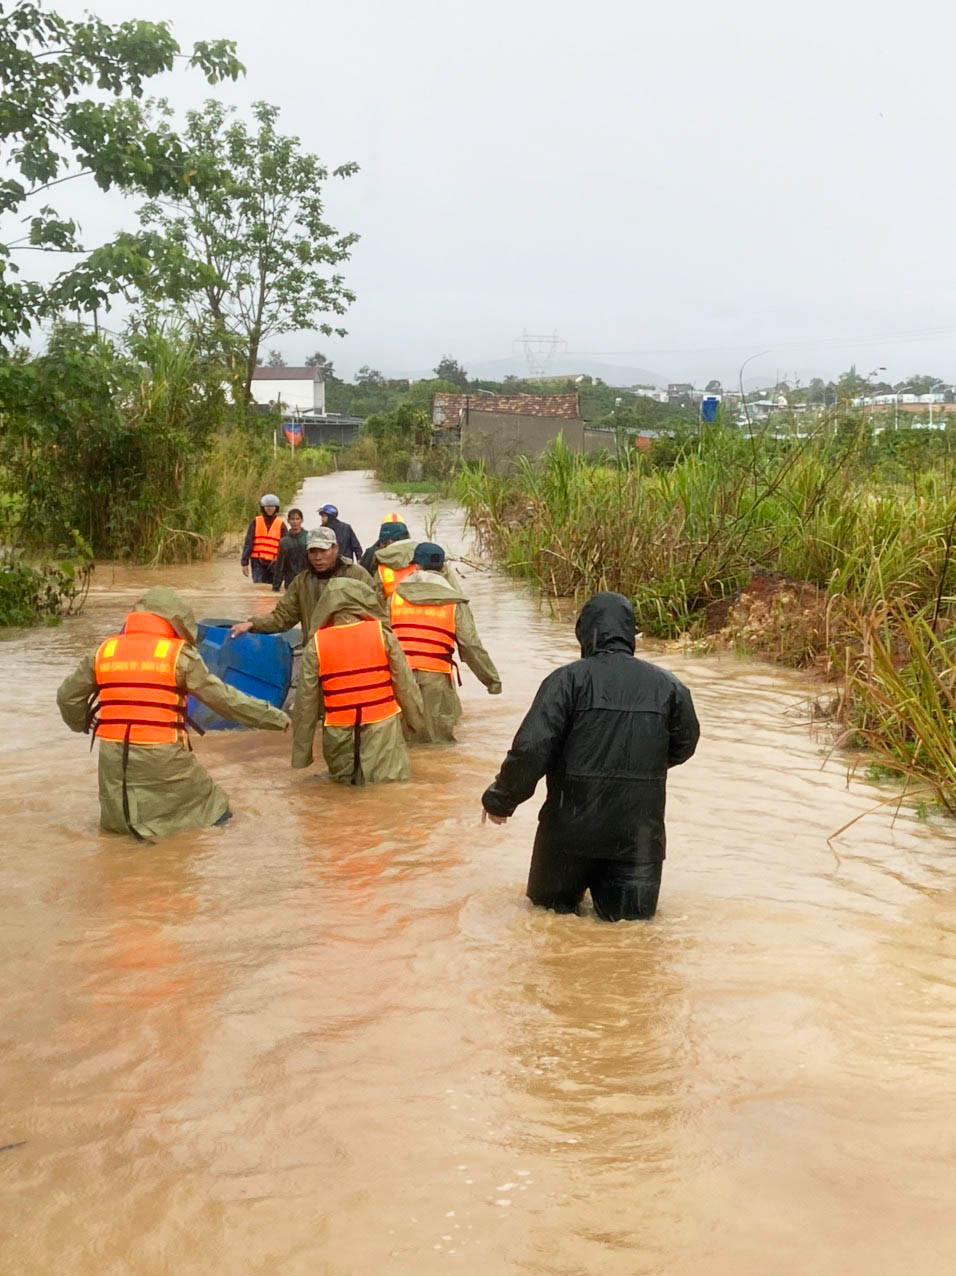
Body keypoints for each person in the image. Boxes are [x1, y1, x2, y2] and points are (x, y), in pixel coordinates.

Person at [480, 591, 699, 922]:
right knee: (631, 939)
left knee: (545, 926)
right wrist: (643, 761)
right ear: (630, 633)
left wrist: (500, 800)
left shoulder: (566, 680)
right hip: (638, 839)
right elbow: (686, 743)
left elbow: (532, 748)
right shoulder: (668, 686)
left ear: (585, 632)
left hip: (567, 834)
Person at [56, 586, 289, 841]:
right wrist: (275, 717)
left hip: (112, 755)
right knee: (215, 809)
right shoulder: (178, 655)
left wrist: (82, 723)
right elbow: (225, 700)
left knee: (120, 823)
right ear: (176, 621)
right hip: (162, 756)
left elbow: (67, 697)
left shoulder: (104, 651)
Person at [292, 578, 424, 784]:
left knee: (343, 797)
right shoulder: (382, 634)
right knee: (390, 791)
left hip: (339, 731)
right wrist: (416, 723)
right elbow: (405, 685)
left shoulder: (315, 644)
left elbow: (305, 703)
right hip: (382, 728)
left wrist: (302, 752)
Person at [390, 542, 501, 742]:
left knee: (402, 741)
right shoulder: (454, 601)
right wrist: (491, 680)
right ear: (443, 568)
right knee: (437, 743)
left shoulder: (394, 598)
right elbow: (471, 646)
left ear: (416, 566)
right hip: (435, 678)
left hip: (399, 678)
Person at [229, 527, 375, 642]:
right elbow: (282, 617)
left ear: (335, 548)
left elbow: (377, 613)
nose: (317, 557)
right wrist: (253, 624)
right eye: (312, 551)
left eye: (323, 551)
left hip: (351, 651)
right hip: (315, 654)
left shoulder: (357, 575)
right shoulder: (302, 582)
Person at [241, 494, 287, 585]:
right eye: (267, 507)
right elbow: (248, 543)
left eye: (272, 507)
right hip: (257, 561)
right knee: (259, 586)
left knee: (273, 587)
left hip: (274, 562)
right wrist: (244, 563)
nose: (269, 509)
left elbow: (286, 545)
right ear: (263, 508)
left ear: (276, 508)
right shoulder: (255, 522)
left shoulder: (281, 524)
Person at [273, 507, 309, 591]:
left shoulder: (309, 537)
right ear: (288, 521)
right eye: (292, 519)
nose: (295, 522)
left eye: (297, 519)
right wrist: (276, 586)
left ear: (302, 520)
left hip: (307, 581)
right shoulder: (284, 542)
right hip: (290, 582)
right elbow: (280, 565)